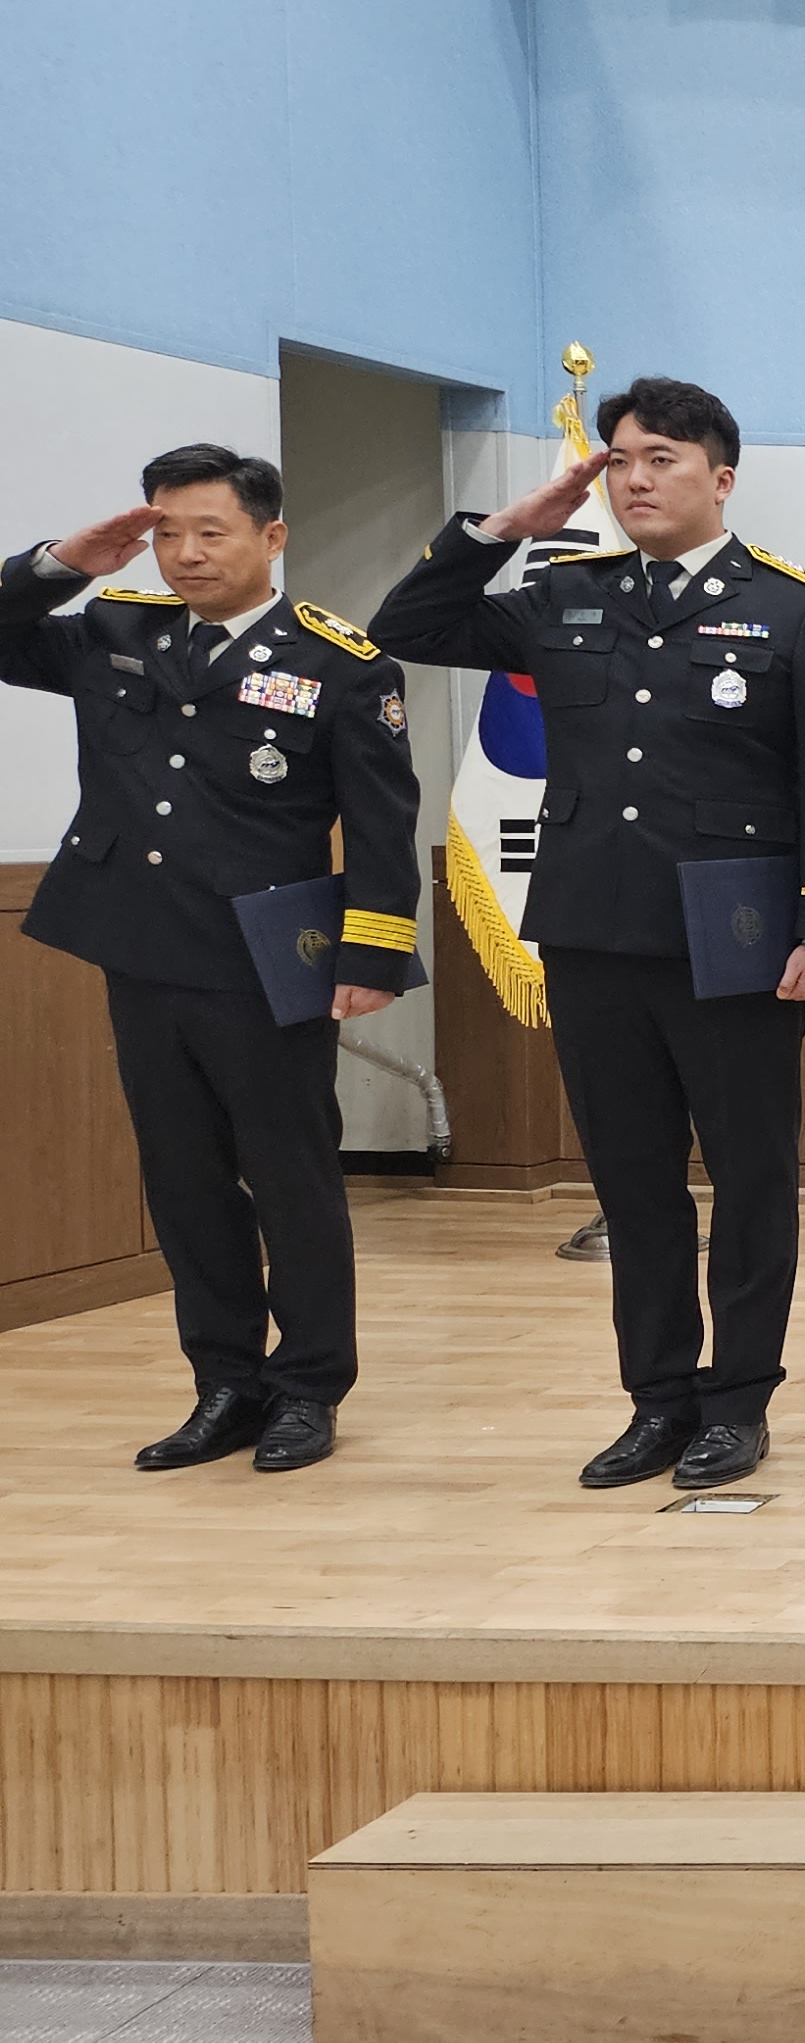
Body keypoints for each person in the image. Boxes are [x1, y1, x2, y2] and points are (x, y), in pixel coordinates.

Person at [368, 378, 805, 1494]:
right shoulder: (563, 595)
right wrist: (504, 530)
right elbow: (406, 627)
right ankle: (657, 1399)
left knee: (751, 1180)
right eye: (622, 461)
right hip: (593, 929)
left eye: (662, 460)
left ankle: (737, 1402)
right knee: (633, 1183)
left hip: (738, 940)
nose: (636, 480)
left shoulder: (800, 609)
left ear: (721, 479)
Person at [2, 448, 420, 1474]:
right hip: (140, 944)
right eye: (167, 533)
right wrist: (61, 563)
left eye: (210, 532)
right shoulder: (118, 629)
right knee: (183, 1178)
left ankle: (308, 1385)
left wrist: (373, 952)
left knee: (290, 1177)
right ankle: (224, 1382)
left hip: (266, 957)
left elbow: (380, 823)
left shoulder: (340, 662)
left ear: (271, 537)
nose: (186, 553)